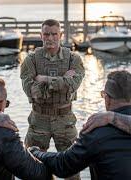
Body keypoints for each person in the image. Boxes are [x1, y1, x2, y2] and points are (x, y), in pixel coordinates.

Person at [20, 19, 85, 180]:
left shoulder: (73, 59)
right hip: (38, 120)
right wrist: (62, 80)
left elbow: (73, 85)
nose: (50, 38)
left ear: (60, 35)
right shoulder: (31, 60)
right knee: (33, 166)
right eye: (46, 34)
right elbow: (32, 91)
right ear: (41, 35)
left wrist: (44, 79)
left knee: (72, 168)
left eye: (54, 34)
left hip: (65, 120)